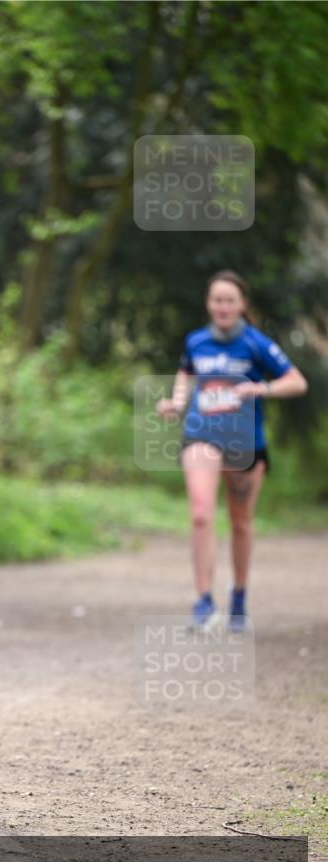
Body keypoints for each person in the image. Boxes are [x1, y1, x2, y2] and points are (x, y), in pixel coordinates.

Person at [157, 270, 307, 630]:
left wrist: (262, 390)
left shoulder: (257, 344)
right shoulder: (195, 342)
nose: (222, 307)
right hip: (202, 434)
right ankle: (204, 601)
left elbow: (296, 381)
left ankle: (239, 596)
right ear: (209, 304)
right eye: (216, 300)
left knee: (240, 522)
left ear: (242, 305)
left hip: (245, 441)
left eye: (229, 300)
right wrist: (177, 404)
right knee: (201, 514)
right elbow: (185, 376)